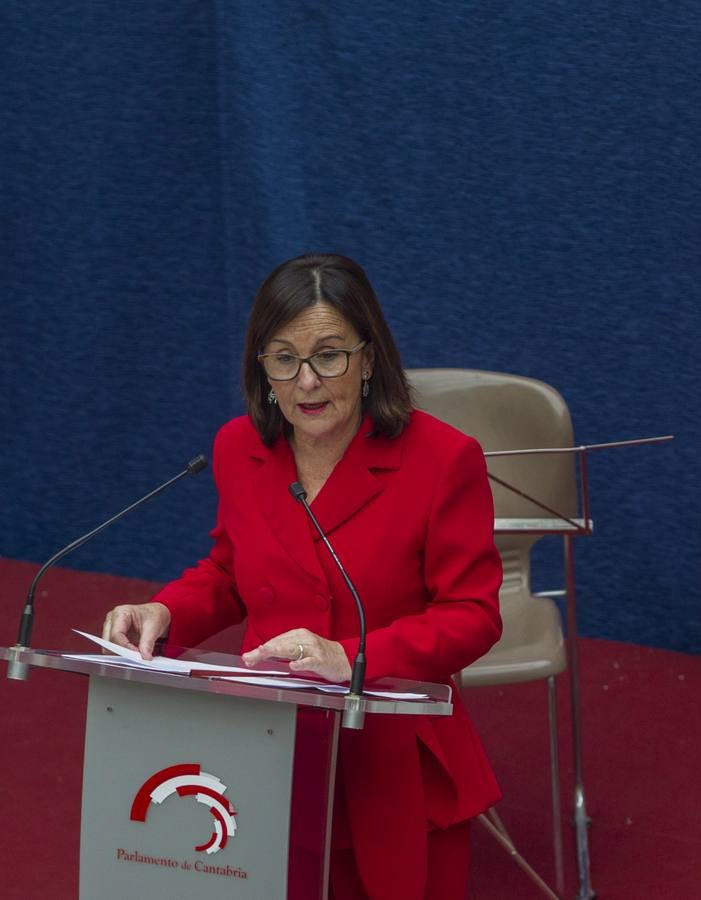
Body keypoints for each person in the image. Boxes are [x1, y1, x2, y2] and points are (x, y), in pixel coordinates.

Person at [101, 253, 503, 899]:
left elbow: (474, 614)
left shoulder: (442, 459)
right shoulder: (240, 447)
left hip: (391, 754)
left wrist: (352, 657)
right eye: (284, 358)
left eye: (329, 355)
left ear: (369, 358)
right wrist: (166, 613)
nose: (307, 382)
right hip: (270, 746)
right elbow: (232, 573)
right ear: (262, 367)